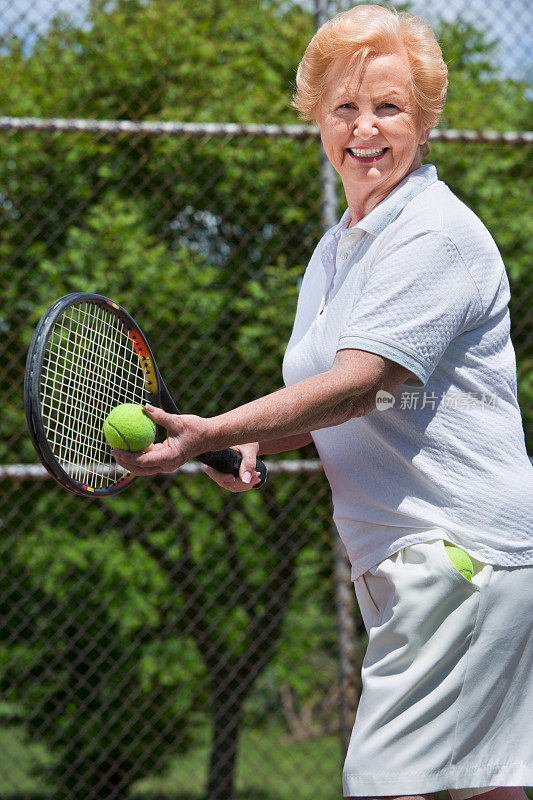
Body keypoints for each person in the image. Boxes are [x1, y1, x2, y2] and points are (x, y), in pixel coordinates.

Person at [112, 5, 533, 800]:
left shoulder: (432, 234)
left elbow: (359, 385)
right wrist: (248, 443)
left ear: (425, 122)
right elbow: (329, 400)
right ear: (317, 118)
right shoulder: (339, 248)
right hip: (430, 560)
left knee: (383, 788)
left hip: (455, 555)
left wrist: (212, 426)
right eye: (345, 107)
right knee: (486, 792)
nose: (364, 128)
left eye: (388, 107)